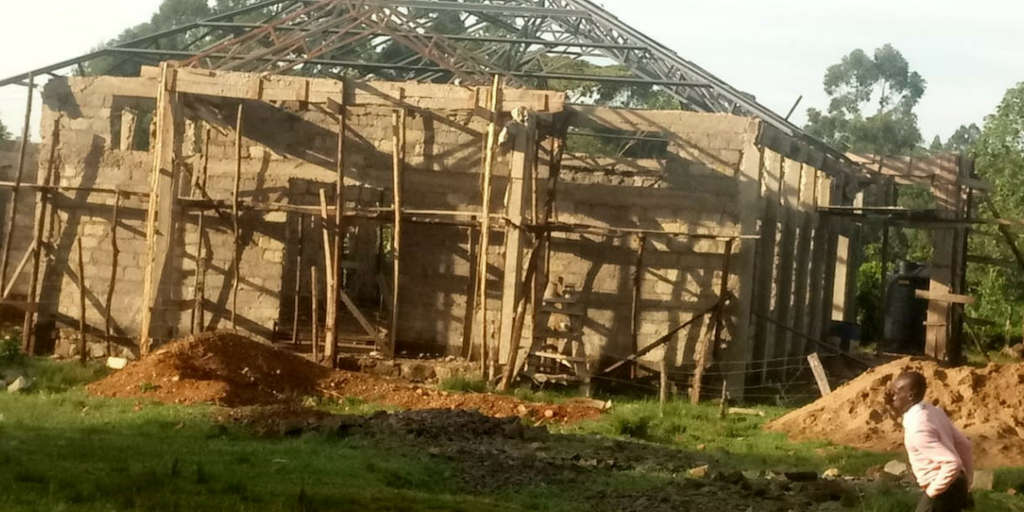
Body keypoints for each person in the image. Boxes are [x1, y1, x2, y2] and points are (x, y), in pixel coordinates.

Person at [886, 371, 975, 512]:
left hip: (942, 487)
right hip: (957, 483)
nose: (894, 398)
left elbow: (952, 462)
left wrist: (932, 492)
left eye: (897, 393)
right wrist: (967, 483)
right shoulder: (934, 412)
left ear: (910, 395)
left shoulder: (917, 427)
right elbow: (965, 446)